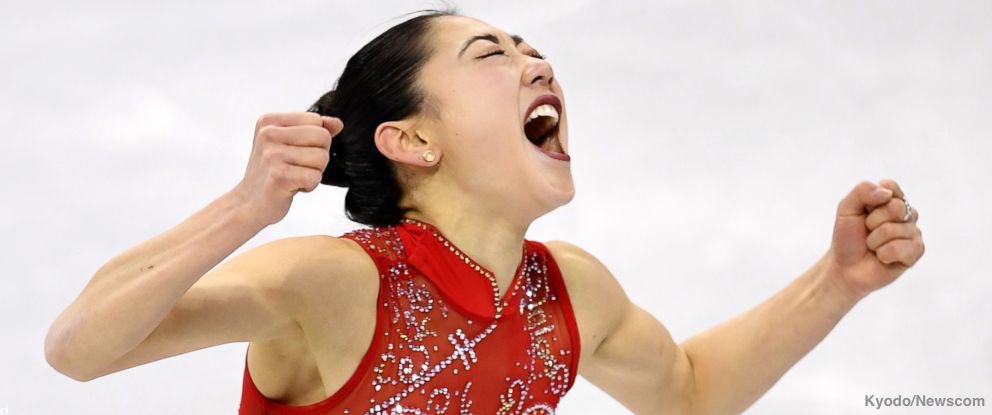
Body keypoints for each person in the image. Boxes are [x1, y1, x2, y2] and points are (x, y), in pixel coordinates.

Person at [44, 8, 925, 415]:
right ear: (413, 140)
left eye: (532, 49)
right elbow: (78, 349)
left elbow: (688, 394)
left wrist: (838, 281)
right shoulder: (333, 284)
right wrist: (244, 207)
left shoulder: (566, 293)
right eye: (490, 55)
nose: (538, 63)